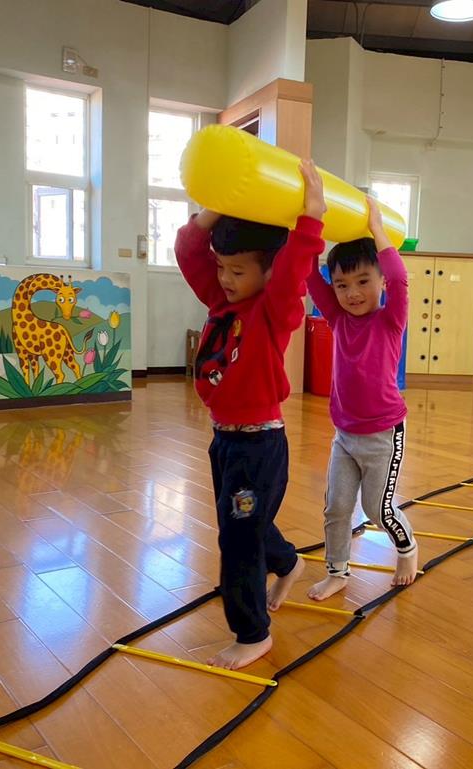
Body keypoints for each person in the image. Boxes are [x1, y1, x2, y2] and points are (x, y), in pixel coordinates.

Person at [175, 160, 327, 669]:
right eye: (222, 267)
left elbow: (293, 271)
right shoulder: (222, 300)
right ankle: (288, 563)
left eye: (238, 270)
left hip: (260, 445)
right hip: (225, 441)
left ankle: (252, 633)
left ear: (267, 272)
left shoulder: (272, 310)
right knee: (244, 522)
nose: (225, 278)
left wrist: (311, 219)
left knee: (237, 538)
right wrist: (217, 205)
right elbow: (188, 251)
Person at [305, 198, 418, 601]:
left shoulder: (390, 320)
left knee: (377, 510)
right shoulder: (336, 319)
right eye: (342, 285)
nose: (352, 293)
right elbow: (310, 276)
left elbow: (400, 279)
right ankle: (337, 571)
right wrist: (310, 223)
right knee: (335, 506)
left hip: (384, 435)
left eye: (363, 281)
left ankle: (407, 550)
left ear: (381, 281)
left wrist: (378, 231)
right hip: (344, 435)